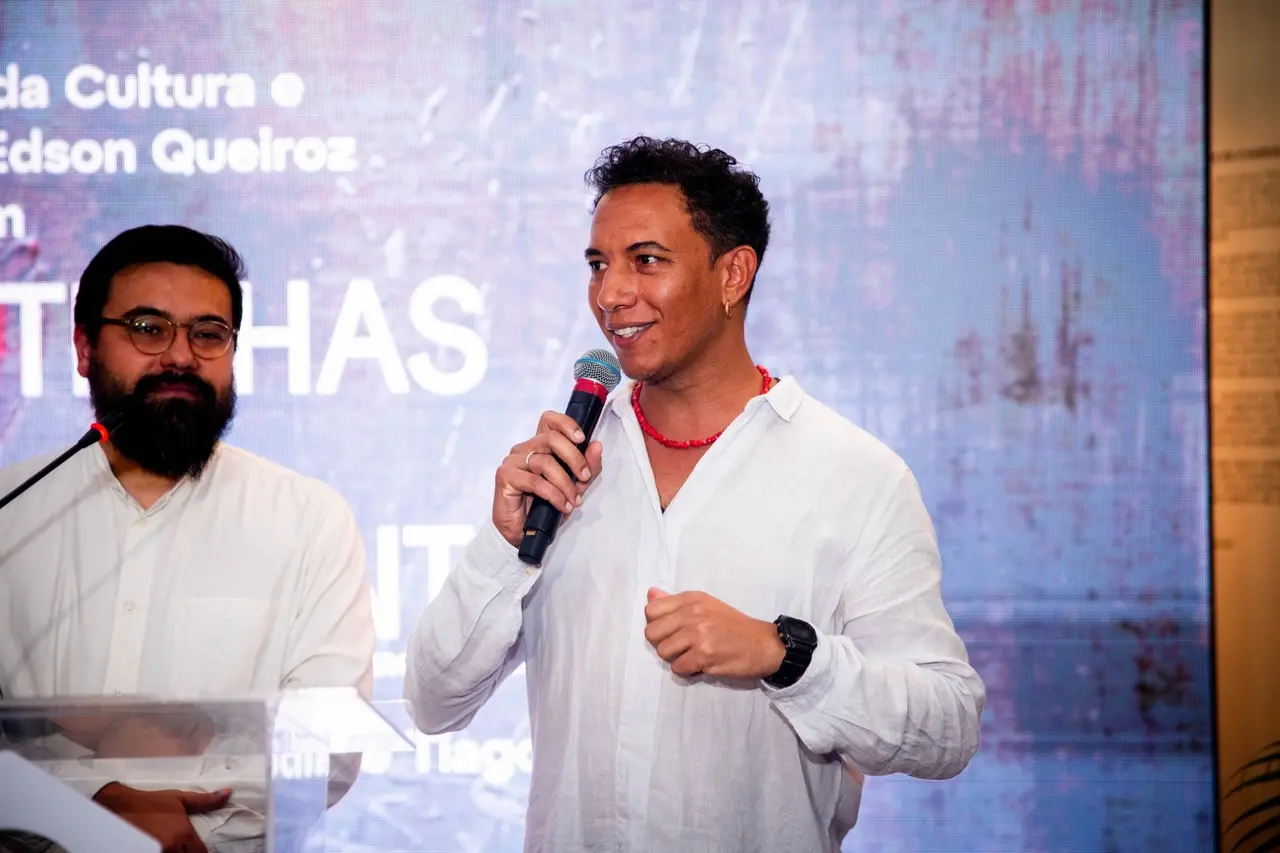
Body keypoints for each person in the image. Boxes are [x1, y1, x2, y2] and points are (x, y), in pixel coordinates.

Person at [403, 136, 986, 851]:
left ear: (733, 273)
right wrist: (503, 550)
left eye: (646, 261)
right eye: (598, 264)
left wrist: (786, 653)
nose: (611, 294)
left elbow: (948, 727)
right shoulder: (563, 469)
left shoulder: (854, 476)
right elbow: (432, 703)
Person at [0, 225, 375, 853]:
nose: (180, 356)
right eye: (148, 328)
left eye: (208, 334)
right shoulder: (11, 512)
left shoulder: (307, 519)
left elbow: (325, 747)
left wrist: (183, 830)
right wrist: (80, 809)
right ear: (84, 346)